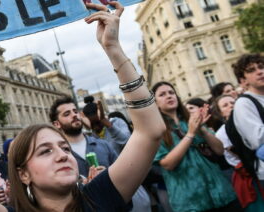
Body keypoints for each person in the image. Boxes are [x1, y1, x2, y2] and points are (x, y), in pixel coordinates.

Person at [0, 1, 166, 212]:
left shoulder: (99, 197)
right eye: (45, 151)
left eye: (65, 148)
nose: (62, 155)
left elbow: (150, 131)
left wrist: (114, 49)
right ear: (23, 174)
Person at [50, 96, 152, 212]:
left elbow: (128, 173)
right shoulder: (59, 156)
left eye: (75, 111)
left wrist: (108, 174)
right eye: (67, 114)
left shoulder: (103, 145)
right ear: (57, 124)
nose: (74, 115)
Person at [152, 81, 240, 211]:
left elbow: (219, 150)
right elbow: (167, 164)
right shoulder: (156, 130)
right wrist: (191, 134)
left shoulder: (191, 119)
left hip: (221, 193)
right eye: (162, 94)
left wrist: (202, 130)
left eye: (171, 92)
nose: (169, 96)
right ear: (155, 103)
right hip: (192, 202)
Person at [227, 54, 264, 210]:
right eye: (252, 70)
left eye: (261, 67)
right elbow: (257, 139)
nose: (260, 72)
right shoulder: (244, 103)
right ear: (243, 81)